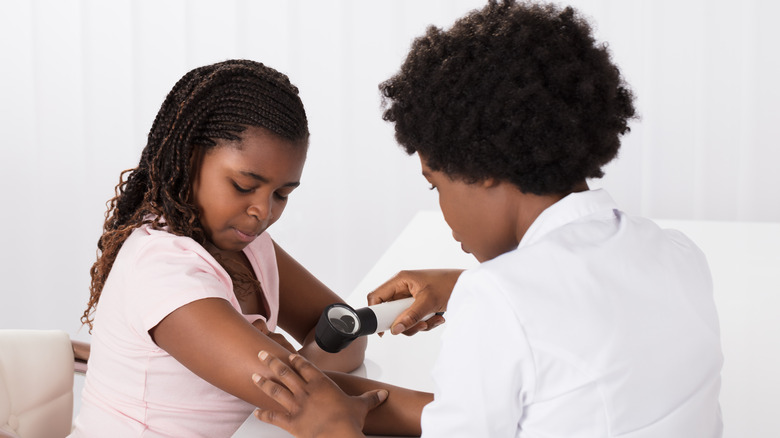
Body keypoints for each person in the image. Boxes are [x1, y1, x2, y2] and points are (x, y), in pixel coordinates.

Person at [250, 1, 724, 437]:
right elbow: (577, 322)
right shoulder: (677, 252)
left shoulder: (498, 299)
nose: (442, 210)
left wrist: (334, 429)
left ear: (482, 169)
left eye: (436, 184)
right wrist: (462, 283)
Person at [70, 59, 431, 437]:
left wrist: (298, 370)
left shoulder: (247, 245)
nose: (263, 211)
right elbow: (309, 401)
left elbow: (348, 336)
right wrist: (458, 416)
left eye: (282, 194)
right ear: (189, 158)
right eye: (244, 186)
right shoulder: (161, 270)